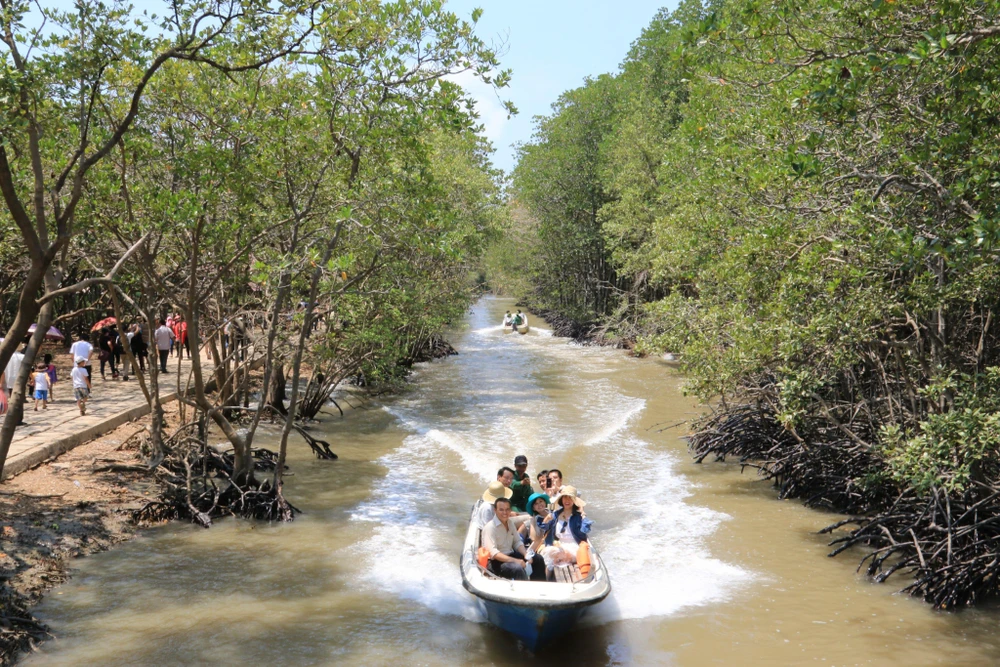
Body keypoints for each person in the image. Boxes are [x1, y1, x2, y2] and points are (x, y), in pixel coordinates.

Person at [481, 498, 546, 582]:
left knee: (538, 558)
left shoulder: (510, 523)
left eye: (507, 509)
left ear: (510, 510)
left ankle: (539, 587)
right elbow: (494, 553)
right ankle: (525, 593)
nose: (505, 513)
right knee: (517, 568)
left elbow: (517, 542)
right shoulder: (490, 527)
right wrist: (516, 561)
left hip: (510, 555)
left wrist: (526, 554)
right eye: (501, 510)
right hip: (495, 562)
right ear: (495, 510)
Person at [539, 485, 592, 574]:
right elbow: (545, 527)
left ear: (574, 501)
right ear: (561, 499)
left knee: (554, 555)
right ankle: (547, 580)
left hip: (575, 547)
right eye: (564, 498)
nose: (567, 501)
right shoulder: (556, 514)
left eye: (570, 498)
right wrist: (547, 520)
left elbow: (586, 530)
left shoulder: (578, 516)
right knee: (545, 552)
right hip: (560, 545)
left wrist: (583, 513)